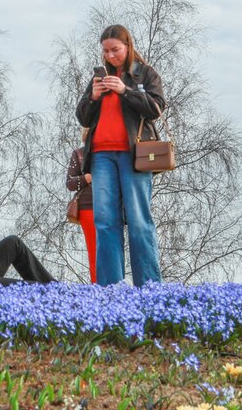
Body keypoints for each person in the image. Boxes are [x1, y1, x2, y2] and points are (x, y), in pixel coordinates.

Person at [75, 24, 165, 287]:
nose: (110, 55)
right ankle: (110, 290)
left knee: (138, 221)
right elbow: (82, 116)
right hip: (101, 156)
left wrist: (126, 91)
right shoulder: (99, 79)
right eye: (106, 51)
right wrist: (92, 97)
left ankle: (149, 288)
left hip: (133, 155)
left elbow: (157, 107)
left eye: (116, 50)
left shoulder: (143, 73)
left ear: (128, 46)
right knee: (105, 222)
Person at [66, 127, 96, 283]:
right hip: (88, 206)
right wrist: (87, 178)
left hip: (111, 205)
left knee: (112, 250)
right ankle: (97, 287)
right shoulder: (79, 153)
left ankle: (112, 286)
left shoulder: (112, 154)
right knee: (94, 250)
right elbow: (70, 183)